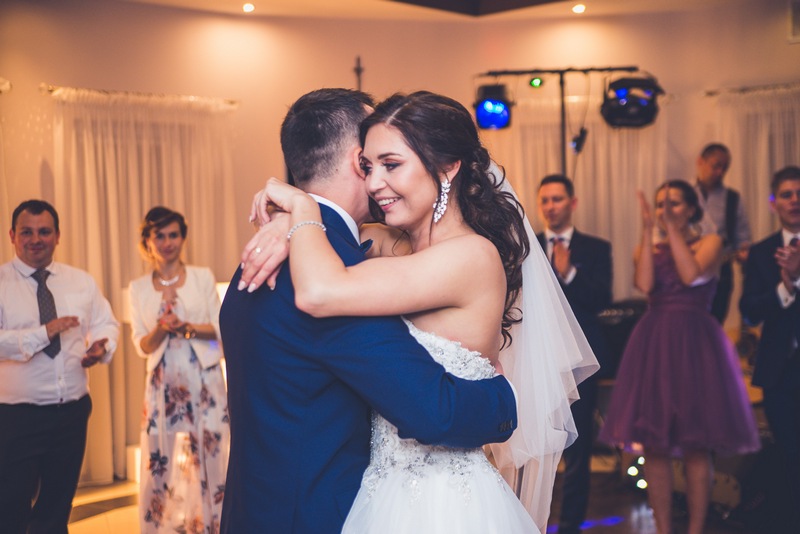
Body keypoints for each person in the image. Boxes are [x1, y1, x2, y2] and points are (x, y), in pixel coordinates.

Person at [240, 90, 597, 532]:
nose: (374, 183)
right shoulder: (392, 244)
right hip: (380, 491)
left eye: (391, 165)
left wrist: (301, 207)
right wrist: (286, 224)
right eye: (368, 167)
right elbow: (337, 234)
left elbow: (319, 290)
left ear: (446, 168)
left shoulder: (471, 257)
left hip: (443, 499)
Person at [599, 180, 760, 534]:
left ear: (691, 209)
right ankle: (663, 529)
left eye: (673, 203)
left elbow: (689, 274)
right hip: (655, 345)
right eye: (660, 204)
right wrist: (646, 232)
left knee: (696, 445)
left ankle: (696, 529)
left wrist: (671, 231)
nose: (665, 210)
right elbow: (644, 285)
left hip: (695, 345)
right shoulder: (647, 247)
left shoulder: (711, 243)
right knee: (654, 446)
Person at [0, 199, 119, 534]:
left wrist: (102, 345)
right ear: (12, 235)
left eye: (44, 231)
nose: (36, 239)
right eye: (27, 232)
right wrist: (44, 333)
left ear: (57, 236)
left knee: (56, 507)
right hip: (16, 416)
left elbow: (106, 323)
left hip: (71, 413)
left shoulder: (80, 281)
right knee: (10, 506)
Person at [128, 206, 229, 533]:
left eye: (173, 235)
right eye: (159, 235)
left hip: (204, 378)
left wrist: (186, 327)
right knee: (160, 461)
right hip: (162, 384)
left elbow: (220, 327)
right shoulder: (138, 288)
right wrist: (162, 327)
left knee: (212, 458)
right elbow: (141, 344)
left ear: (183, 238)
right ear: (148, 240)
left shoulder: (202, 277)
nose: (167, 242)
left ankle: (214, 525)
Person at [537, 174, 612, 534]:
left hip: (580, 362)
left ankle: (570, 525)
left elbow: (601, 300)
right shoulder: (526, 245)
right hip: (537, 360)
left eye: (557, 199)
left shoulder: (596, 249)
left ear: (573, 203)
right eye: (545, 200)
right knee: (537, 446)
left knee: (578, 448)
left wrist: (568, 273)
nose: (551, 206)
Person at [739, 165, 800, 530]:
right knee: (791, 454)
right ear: (773, 202)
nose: (795, 200)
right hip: (780, 372)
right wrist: (787, 285)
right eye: (787, 194)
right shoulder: (762, 252)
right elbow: (749, 310)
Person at [694, 143, 752, 323]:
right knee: (689, 324)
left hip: (722, 271)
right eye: (716, 166)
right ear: (700, 162)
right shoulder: (685, 194)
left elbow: (743, 237)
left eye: (724, 168)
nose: (720, 172)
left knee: (715, 323)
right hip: (688, 269)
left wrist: (744, 251)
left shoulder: (733, 198)